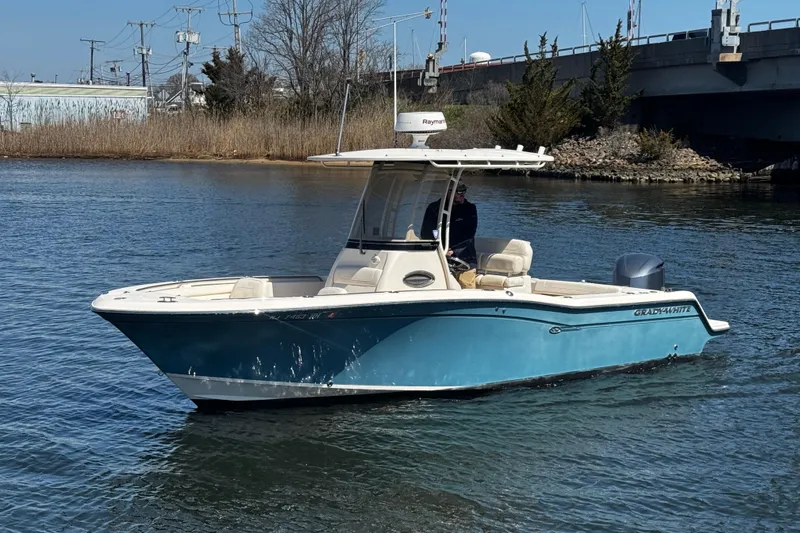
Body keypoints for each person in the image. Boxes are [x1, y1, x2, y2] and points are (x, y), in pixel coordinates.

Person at [421, 182, 479, 288]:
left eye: (464, 191)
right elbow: (428, 232)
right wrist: (438, 247)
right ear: (447, 192)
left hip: (465, 257)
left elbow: (469, 234)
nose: (462, 194)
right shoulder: (434, 208)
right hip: (439, 256)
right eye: (459, 191)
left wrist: (454, 250)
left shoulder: (470, 209)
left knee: (466, 284)